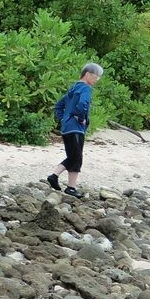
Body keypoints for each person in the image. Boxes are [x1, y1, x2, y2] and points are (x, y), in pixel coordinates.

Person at [48, 62, 104, 199]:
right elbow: (82, 104)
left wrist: (63, 119)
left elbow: (58, 106)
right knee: (76, 157)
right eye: (96, 76)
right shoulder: (85, 88)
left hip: (67, 128)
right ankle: (59, 179)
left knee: (73, 156)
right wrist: (80, 118)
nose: (97, 80)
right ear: (87, 74)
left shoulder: (73, 88)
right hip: (76, 128)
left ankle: (67, 185)